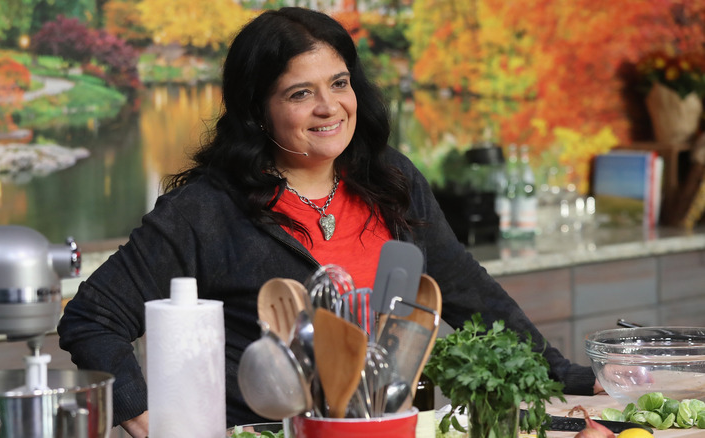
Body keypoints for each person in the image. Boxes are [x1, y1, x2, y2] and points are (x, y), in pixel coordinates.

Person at [57, 7, 601, 438]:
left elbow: (467, 292)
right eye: (300, 93)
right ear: (256, 110)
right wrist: (149, 422)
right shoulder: (205, 210)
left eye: (339, 84)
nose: (330, 108)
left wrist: (575, 379)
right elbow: (91, 318)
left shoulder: (390, 179)